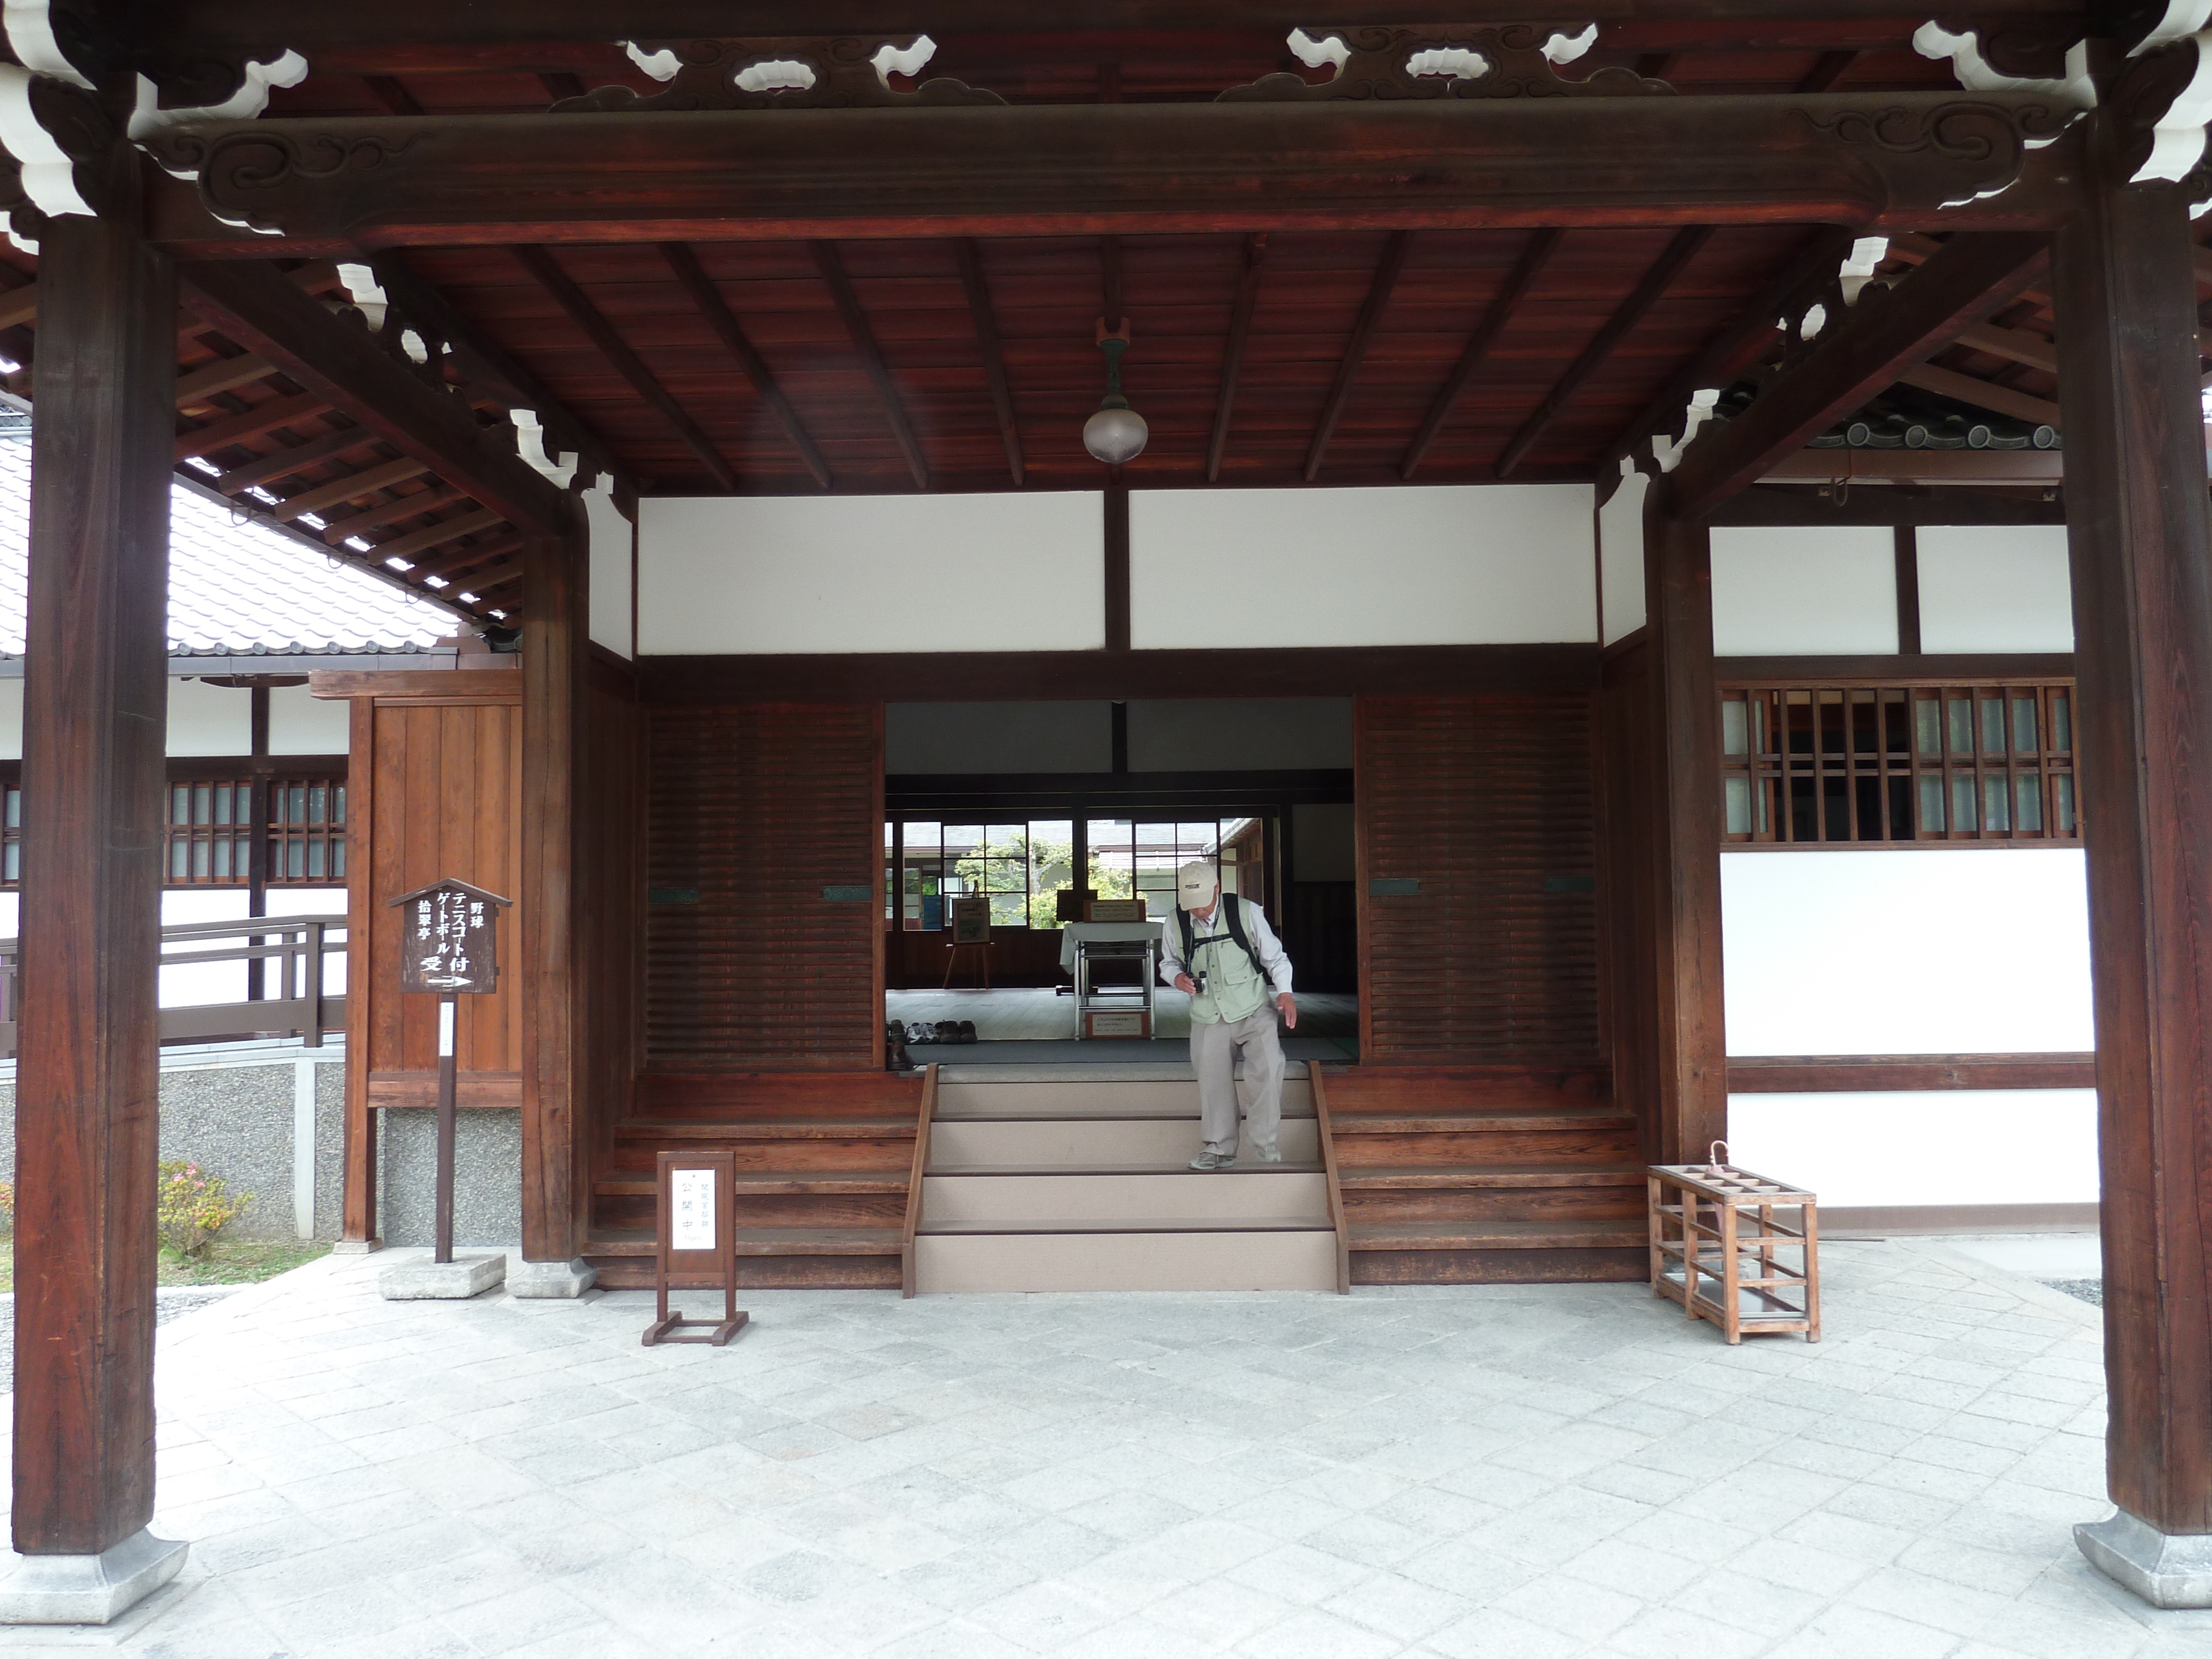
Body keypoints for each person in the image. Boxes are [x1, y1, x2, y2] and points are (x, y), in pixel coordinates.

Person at [1159, 859, 1296, 1170]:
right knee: (1213, 1082)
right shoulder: (1174, 922)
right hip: (1208, 1014)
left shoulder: (1246, 912)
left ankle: (1266, 1147)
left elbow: (1275, 957)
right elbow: (1168, 963)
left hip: (1253, 1009)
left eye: (1204, 905)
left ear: (1217, 889)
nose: (1199, 912)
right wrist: (1177, 978)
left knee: (1268, 1072)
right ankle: (1219, 1149)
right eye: (1192, 906)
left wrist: (1285, 992)